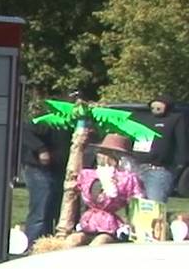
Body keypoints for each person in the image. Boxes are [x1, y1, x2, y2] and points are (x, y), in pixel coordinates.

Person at [66, 133, 145, 248]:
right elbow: (75, 188)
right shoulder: (88, 175)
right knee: (72, 241)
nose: (102, 156)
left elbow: (138, 202)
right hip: (89, 223)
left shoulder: (127, 179)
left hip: (110, 226)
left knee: (99, 243)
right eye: (102, 152)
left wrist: (134, 226)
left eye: (108, 153)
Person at [20, 102, 71, 242]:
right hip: (38, 168)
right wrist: (41, 149)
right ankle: (33, 243)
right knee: (41, 209)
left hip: (59, 169)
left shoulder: (70, 121)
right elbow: (25, 130)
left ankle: (47, 242)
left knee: (55, 210)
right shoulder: (48, 118)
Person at [130, 95, 186, 202]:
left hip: (159, 170)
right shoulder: (143, 118)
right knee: (135, 205)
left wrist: (180, 164)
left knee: (154, 206)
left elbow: (181, 142)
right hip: (136, 167)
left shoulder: (175, 119)